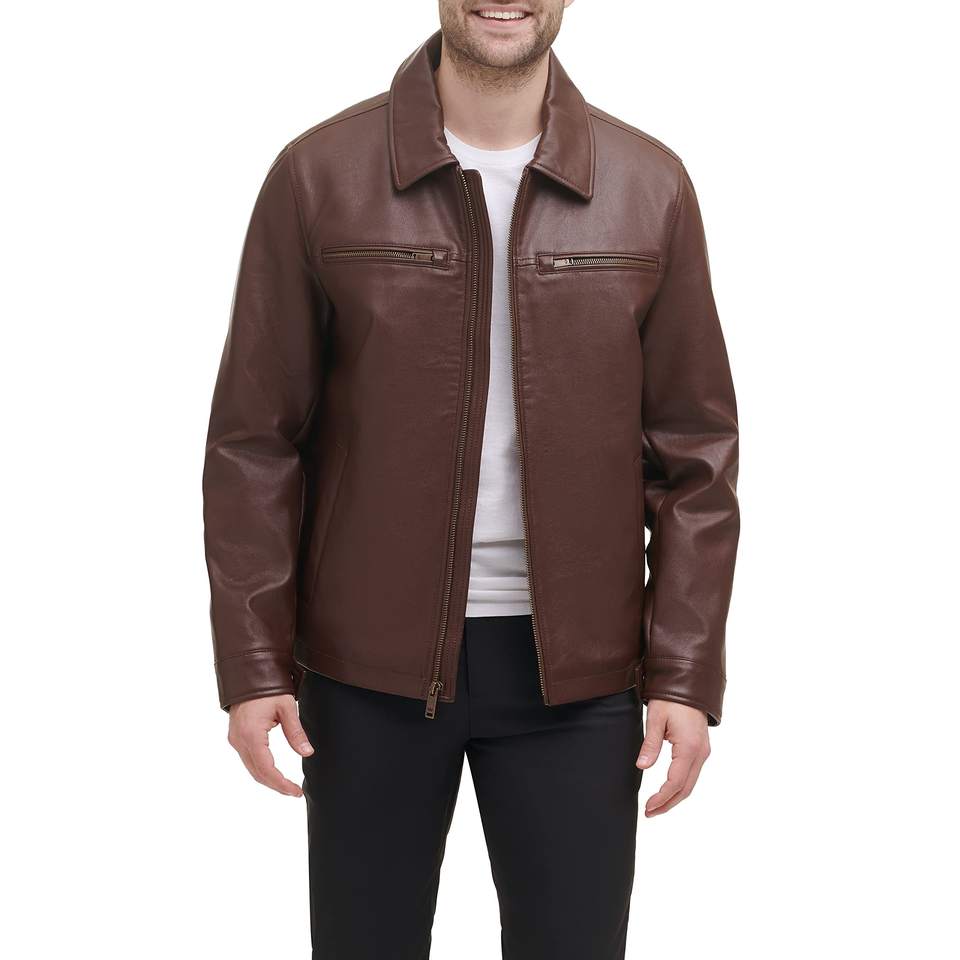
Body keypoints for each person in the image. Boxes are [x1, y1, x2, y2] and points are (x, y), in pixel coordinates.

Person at [202, 2, 739, 957]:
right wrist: (253, 665)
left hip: (583, 684)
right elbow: (254, 442)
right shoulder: (318, 175)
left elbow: (696, 455)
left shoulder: (649, 185)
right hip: (364, 673)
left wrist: (685, 674)